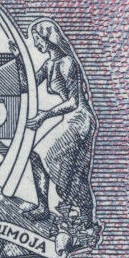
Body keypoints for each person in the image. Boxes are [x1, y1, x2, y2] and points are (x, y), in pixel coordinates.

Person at [23, 18, 97, 237]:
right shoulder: (49, 64)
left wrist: (44, 116)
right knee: (35, 154)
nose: (36, 43)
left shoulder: (67, 63)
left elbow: (74, 102)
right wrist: (18, 59)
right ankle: (43, 207)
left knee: (70, 170)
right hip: (67, 119)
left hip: (80, 119)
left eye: (37, 39)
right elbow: (27, 85)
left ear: (48, 38)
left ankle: (86, 222)